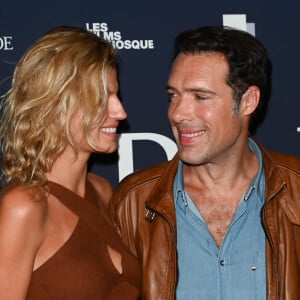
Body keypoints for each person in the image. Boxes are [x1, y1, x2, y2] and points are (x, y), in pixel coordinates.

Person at [110, 26, 300, 299]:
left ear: (248, 101)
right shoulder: (134, 202)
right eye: (173, 95)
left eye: (200, 97)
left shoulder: (297, 190)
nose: (178, 113)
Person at [0, 26, 140, 299]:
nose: (120, 112)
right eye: (102, 98)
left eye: (116, 95)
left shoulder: (101, 190)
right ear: (56, 105)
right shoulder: (24, 207)